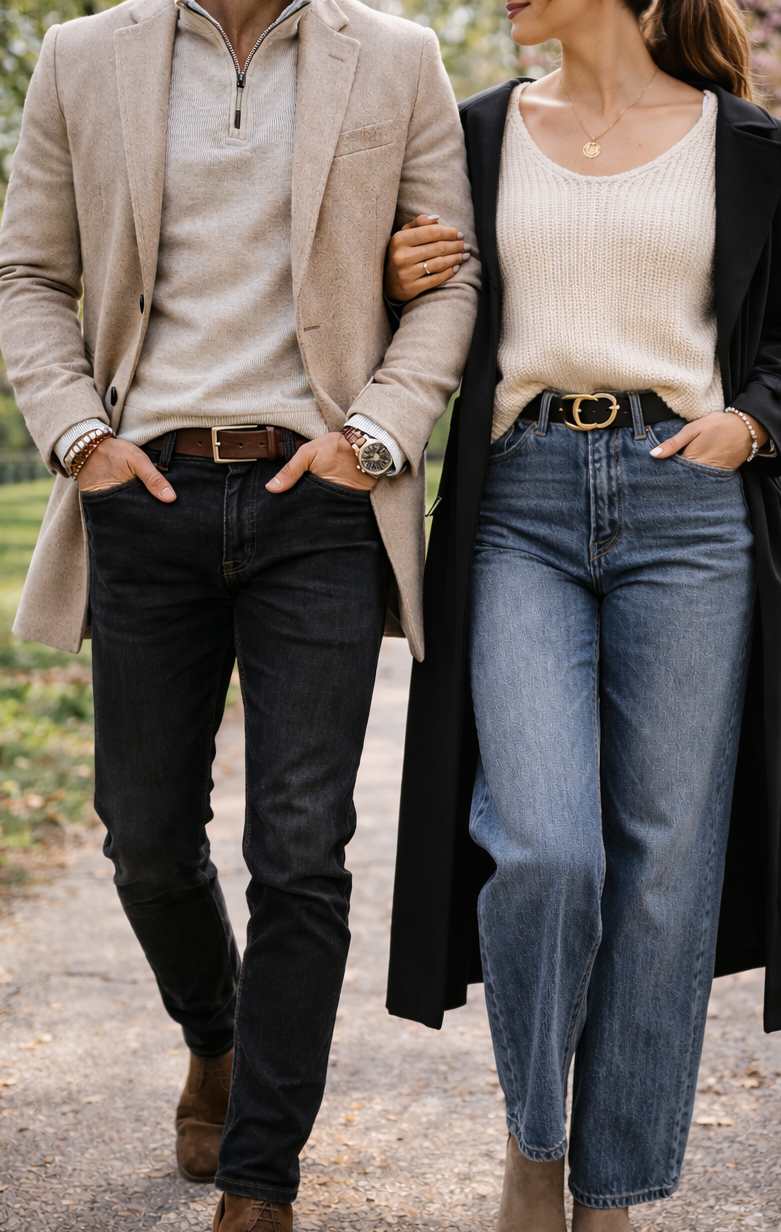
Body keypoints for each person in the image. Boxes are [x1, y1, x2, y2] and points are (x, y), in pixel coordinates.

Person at [0, 0, 479, 1225]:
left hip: (315, 496)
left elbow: (450, 274)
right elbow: (29, 273)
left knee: (300, 847)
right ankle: (212, 1032)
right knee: (144, 835)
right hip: (143, 488)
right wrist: (77, 435)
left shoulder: (400, 55)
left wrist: (373, 433)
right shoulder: (79, 56)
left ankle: (262, 1174)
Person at [384, 0, 781, 1226]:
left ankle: (613, 1188)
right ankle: (536, 1136)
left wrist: (753, 422)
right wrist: (391, 272)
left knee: (659, 870)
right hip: (515, 498)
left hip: (686, 507)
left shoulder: (739, 139)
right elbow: (431, 313)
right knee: (545, 844)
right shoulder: (477, 133)